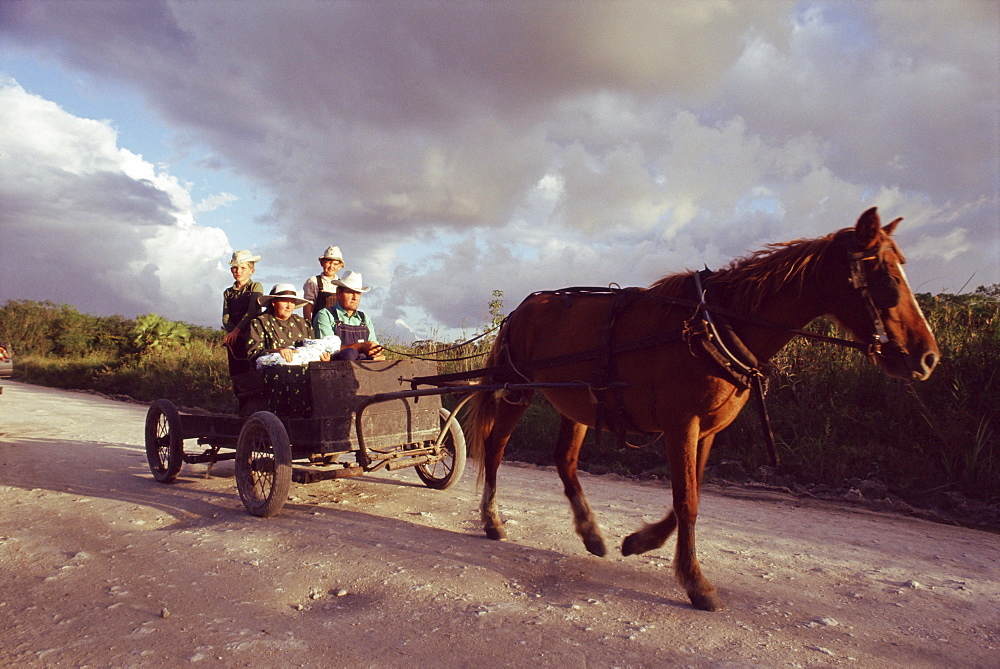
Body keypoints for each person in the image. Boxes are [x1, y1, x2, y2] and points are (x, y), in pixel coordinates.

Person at [245, 284, 327, 363]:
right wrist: (277, 351)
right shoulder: (259, 322)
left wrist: (322, 357)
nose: (289, 306)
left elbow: (313, 348)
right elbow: (252, 354)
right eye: (285, 301)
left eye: (292, 302)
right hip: (271, 373)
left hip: (304, 373)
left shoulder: (303, 323)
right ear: (273, 302)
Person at [314, 271, 385, 361]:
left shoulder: (364, 318)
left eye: (358, 293)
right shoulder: (326, 315)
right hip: (337, 370)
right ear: (338, 293)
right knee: (350, 353)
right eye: (350, 292)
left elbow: (374, 347)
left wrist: (378, 355)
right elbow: (327, 350)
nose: (355, 297)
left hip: (364, 370)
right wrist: (361, 347)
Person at [222, 250, 264, 379]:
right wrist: (233, 332)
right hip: (235, 337)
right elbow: (225, 317)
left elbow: (253, 312)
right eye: (235, 268)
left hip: (252, 334)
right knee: (236, 372)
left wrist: (237, 330)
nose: (238, 271)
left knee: (253, 369)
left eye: (243, 268)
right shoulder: (228, 292)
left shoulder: (255, 287)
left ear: (252, 271)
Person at [303, 245, 345, 324]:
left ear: (340, 266)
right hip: (318, 324)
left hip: (338, 325)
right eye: (328, 262)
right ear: (322, 263)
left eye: (335, 264)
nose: (331, 266)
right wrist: (308, 326)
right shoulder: (313, 281)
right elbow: (307, 306)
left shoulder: (342, 284)